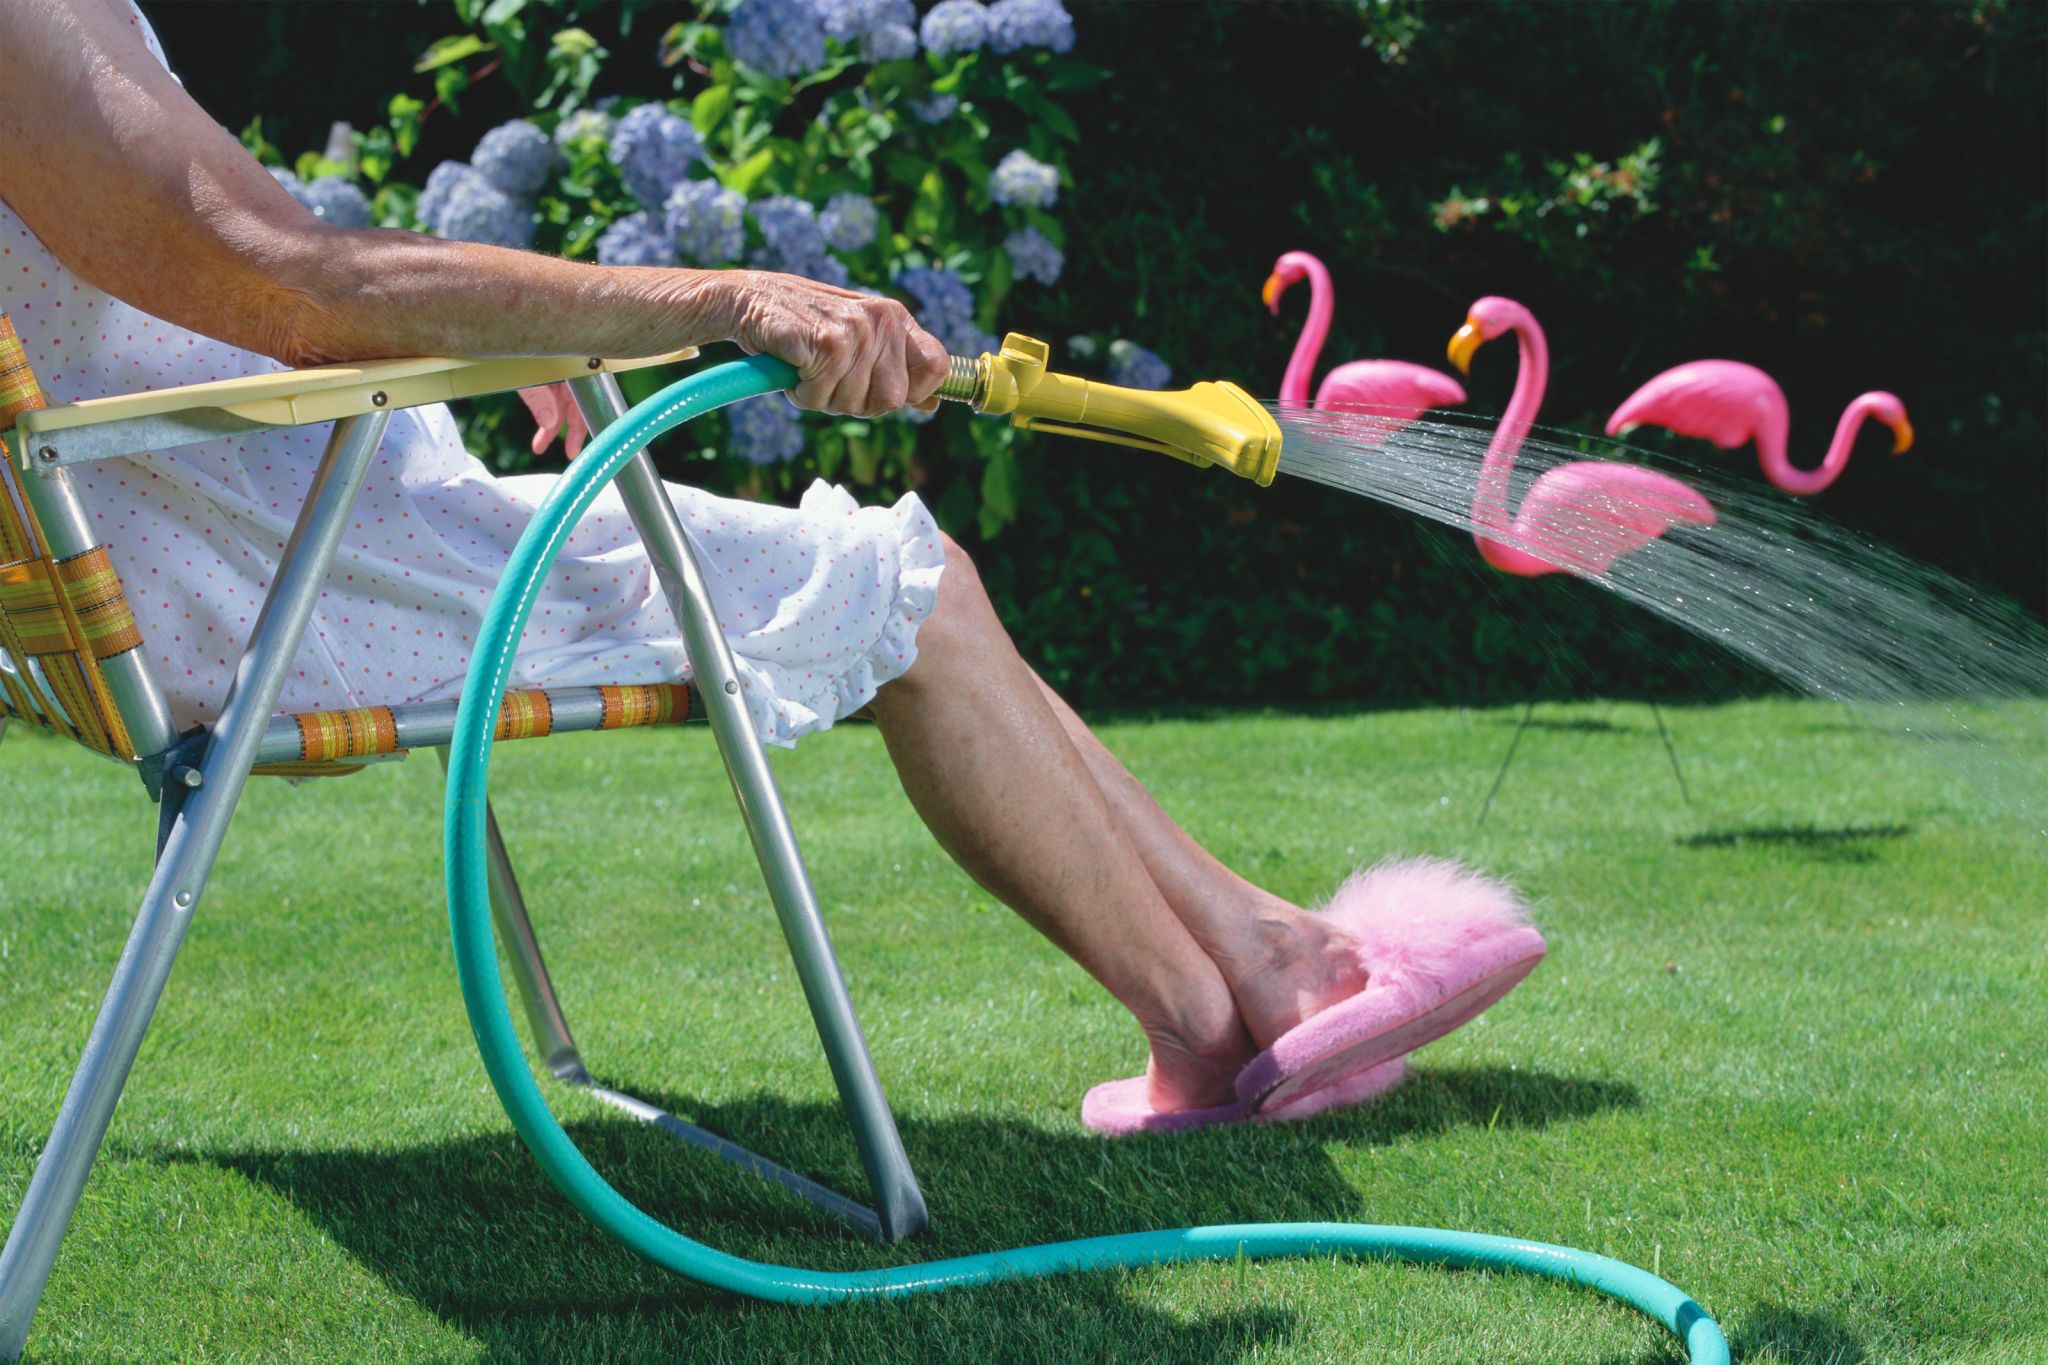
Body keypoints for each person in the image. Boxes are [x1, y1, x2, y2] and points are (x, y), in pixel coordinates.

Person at [0, 0, 1539, 1133]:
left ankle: (1259, 971)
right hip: (309, 578)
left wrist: (531, 324)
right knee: (915, 597)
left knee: (912, 584)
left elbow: (221, 281)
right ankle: (1235, 1002)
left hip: (230, 559)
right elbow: (295, 286)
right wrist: (726, 292)